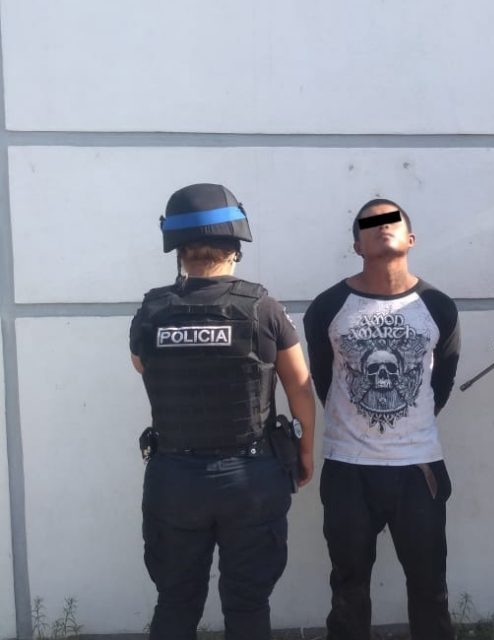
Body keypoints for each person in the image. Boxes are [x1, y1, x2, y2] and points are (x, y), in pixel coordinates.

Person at [129, 183, 315, 640]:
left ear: (178, 250)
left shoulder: (151, 312)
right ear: (235, 245)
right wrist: (305, 451)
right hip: (250, 479)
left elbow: (145, 368)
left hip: (174, 479)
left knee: (175, 602)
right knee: (248, 604)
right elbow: (300, 387)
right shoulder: (263, 309)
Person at [303, 199, 460, 640]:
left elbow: (441, 382)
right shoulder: (328, 306)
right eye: (369, 224)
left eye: (391, 221)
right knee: (348, 588)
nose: (381, 227)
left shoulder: (437, 306)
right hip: (348, 467)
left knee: (430, 586)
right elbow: (323, 378)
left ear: (410, 238)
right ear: (357, 245)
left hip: (418, 467)